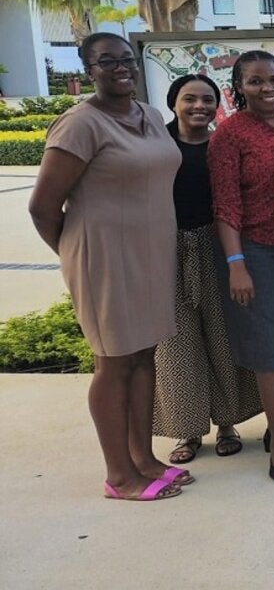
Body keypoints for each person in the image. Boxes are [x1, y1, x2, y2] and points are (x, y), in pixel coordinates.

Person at [28, 33, 187, 501]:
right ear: (88, 70)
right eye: (106, 61)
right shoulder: (80, 124)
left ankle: (144, 458)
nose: (119, 67)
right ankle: (119, 474)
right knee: (114, 362)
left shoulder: (152, 115)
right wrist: (83, 258)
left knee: (143, 356)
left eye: (125, 59)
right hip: (105, 262)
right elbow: (42, 207)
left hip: (152, 256)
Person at [208, 49, 274, 482]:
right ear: (239, 87)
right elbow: (226, 205)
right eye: (255, 81)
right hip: (253, 251)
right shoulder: (230, 135)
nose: (267, 88)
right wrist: (237, 263)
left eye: (273, 79)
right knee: (271, 348)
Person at [153, 74, 262, 465]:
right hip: (167, 252)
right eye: (189, 99)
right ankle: (186, 429)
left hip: (216, 248)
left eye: (207, 99)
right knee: (176, 344)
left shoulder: (222, 145)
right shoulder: (157, 146)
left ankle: (228, 424)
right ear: (173, 102)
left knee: (222, 337)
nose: (199, 106)